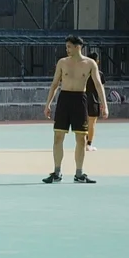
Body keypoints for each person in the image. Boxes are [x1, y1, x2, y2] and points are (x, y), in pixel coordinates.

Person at [42, 35, 100, 183]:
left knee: (81, 138)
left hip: (80, 99)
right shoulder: (62, 62)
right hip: (64, 99)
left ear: (77, 47)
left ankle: (79, 173)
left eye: (69, 46)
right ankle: (57, 172)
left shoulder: (90, 63)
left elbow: (98, 85)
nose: (67, 49)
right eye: (66, 47)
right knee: (58, 137)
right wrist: (48, 103)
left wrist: (104, 105)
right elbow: (55, 84)